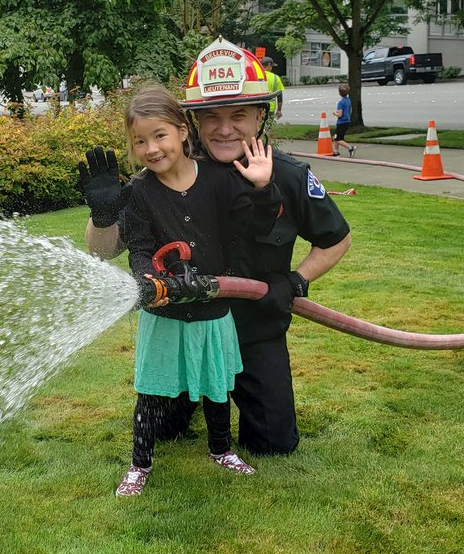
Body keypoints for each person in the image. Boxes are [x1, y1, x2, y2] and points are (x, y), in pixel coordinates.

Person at [80, 38, 351, 457]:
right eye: (212, 117)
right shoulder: (166, 175)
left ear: (261, 116)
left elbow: (337, 240)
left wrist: (296, 280)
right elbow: (104, 252)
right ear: (194, 123)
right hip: (186, 326)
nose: (225, 129)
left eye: (239, 115)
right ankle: (186, 401)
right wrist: (103, 216)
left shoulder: (291, 176)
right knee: (166, 431)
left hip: (256, 331)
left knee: (273, 444)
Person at [115, 85, 281, 497]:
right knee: (151, 390)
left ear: (183, 132)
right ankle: (139, 463)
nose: (151, 149)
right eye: (140, 141)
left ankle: (221, 449)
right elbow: (138, 247)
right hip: (165, 312)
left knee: (216, 384)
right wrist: (148, 282)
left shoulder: (221, 180)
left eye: (159, 136)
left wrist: (263, 189)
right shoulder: (139, 193)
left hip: (213, 308)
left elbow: (256, 229)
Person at [332, 82, 355, 157]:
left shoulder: (341, 103)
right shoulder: (348, 100)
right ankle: (336, 152)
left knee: (338, 139)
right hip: (347, 121)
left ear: (339, 93)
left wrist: (335, 113)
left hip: (341, 122)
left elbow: (340, 114)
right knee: (336, 137)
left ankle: (350, 148)